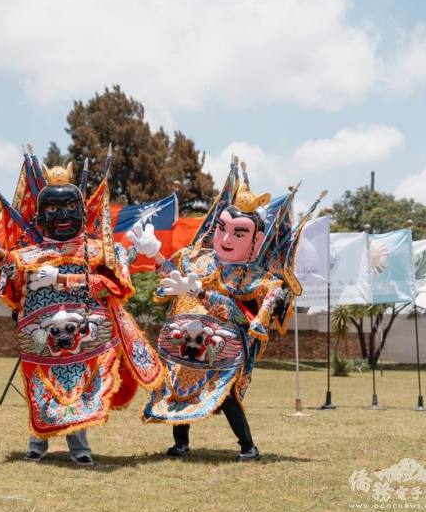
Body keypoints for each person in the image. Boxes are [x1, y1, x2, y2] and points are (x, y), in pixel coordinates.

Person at [0, 158, 162, 465]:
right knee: (42, 389)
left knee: (79, 390)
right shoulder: (28, 254)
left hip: (84, 338)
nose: (62, 216)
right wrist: (1, 255)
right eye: (53, 210)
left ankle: (79, 444)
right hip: (41, 339)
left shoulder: (96, 250)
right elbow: (15, 294)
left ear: (82, 210)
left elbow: (112, 288)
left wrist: (61, 279)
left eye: (70, 207)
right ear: (40, 214)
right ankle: (38, 441)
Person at [136, 156, 317, 461]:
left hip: (223, 346)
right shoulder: (199, 258)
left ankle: (248, 446)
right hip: (185, 340)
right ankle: (181, 443)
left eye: (239, 233)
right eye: (222, 228)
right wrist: (155, 255)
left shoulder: (254, 277)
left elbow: (240, 313)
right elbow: (174, 276)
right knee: (180, 387)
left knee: (228, 396)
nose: (226, 238)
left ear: (257, 239)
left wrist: (202, 294)